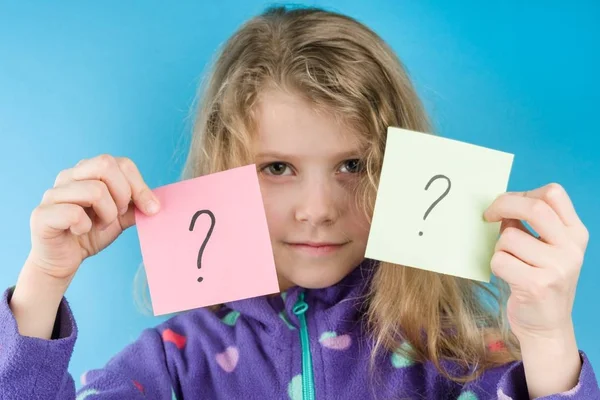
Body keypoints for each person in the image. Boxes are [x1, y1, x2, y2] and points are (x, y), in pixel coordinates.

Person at [1, 5, 598, 400]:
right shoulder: (176, 363)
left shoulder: (459, 356)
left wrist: (548, 339)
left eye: (353, 166)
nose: (318, 209)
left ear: (402, 168)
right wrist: (44, 282)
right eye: (278, 168)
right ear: (223, 173)